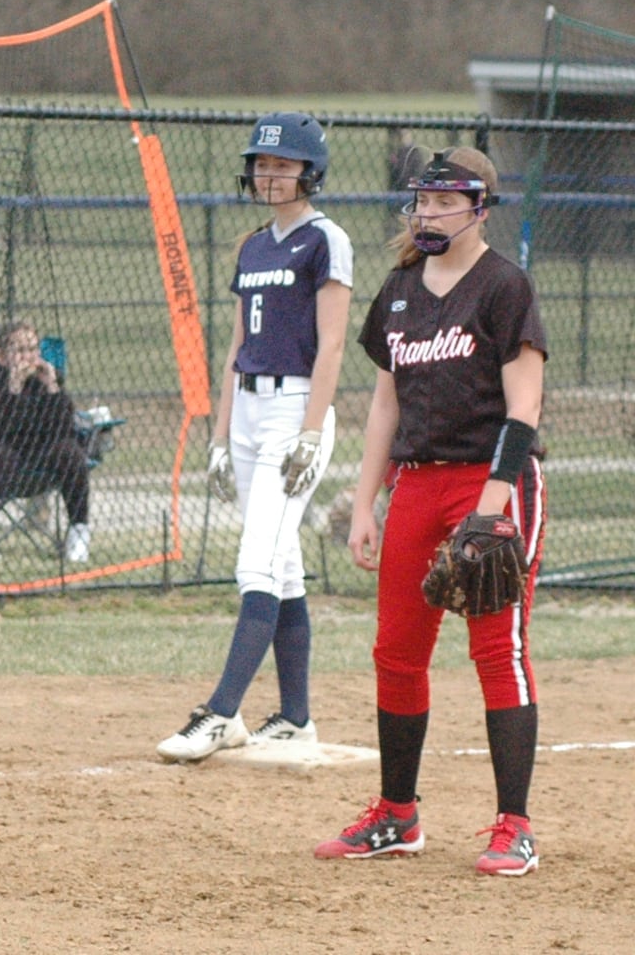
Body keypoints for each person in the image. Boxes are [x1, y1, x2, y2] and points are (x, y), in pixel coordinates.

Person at [316, 146, 548, 876]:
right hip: (416, 483)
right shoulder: (401, 289)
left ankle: (515, 825)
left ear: (482, 208)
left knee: (495, 652)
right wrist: (364, 505)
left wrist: (490, 510)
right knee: (397, 651)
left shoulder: (505, 287)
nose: (430, 212)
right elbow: (386, 404)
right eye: (423, 200)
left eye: (447, 201)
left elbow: (526, 406)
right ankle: (397, 815)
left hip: (493, 482)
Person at [157, 112, 351, 763]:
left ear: (309, 171)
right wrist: (218, 435)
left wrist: (308, 432)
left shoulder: (326, 240)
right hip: (246, 408)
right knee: (284, 565)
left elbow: (330, 347)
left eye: (282, 164)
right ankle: (295, 717)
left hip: (296, 406)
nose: (269, 174)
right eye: (262, 163)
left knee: (255, 564)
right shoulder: (253, 246)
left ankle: (220, 714)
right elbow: (237, 344)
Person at [0, 321, 92, 563]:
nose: (29, 357)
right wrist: (13, 386)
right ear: (2, 356)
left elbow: (65, 429)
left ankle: (79, 531)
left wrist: (53, 388)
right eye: (20, 350)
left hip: (41, 459)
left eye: (33, 349)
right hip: (5, 457)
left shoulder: (45, 380)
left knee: (70, 452)